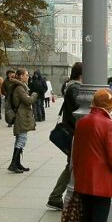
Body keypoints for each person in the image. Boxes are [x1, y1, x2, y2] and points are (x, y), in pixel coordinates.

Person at [72, 89, 112, 222]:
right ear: (110, 105)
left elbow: (76, 150)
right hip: (101, 177)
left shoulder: (82, 122)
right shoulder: (109, 125)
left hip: (84, 174)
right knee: (100, 214)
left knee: (87, 211)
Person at [46, 62, 82, 210]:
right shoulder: (74, 87)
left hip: (72, 129)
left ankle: (56, 197)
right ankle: (56, 197)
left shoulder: (71, 86)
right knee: (72, 165)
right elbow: (78, 106)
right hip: (73, 131)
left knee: (71, 165)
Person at [6, 67, 38, 173]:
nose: (28, 77)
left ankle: (17, 163)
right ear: (21, 76)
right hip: (21, 115)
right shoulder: (20, 88)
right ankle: (13, 164)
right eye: (26, 75)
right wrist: (34, 95)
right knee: (22, 139)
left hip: (22, 115)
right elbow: (28, 101)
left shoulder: (21, 87)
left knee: (20, 139)